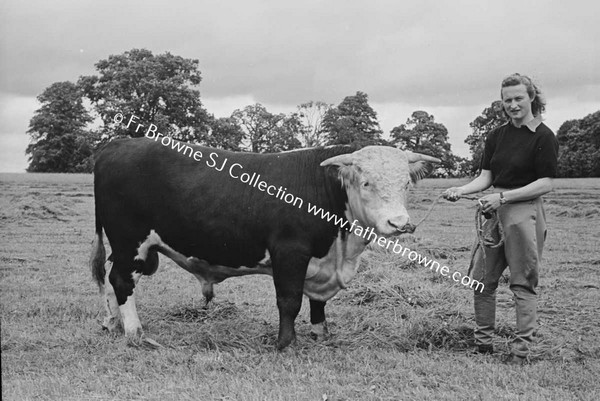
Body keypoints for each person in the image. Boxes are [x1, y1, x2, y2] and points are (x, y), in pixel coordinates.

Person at [443, 73, 559, 364]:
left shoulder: (544, 136)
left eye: (518, 98)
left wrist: (504, 198)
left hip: (524, 212)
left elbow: (546, 182)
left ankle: (521, 351)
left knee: (522, 282)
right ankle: (483, 344)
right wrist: (461, 189)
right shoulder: (496, 136)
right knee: (482, 280)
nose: (513, 104)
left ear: (531, 97)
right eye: (507, 100)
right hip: (493, 212)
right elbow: (486, 177)